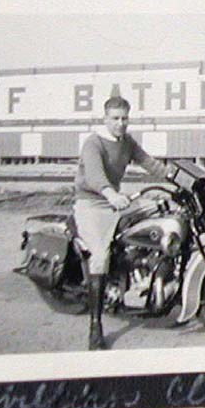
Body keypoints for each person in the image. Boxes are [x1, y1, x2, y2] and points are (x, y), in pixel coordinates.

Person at [74, 96, 170, 350]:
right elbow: (94, 175)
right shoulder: (93, 143)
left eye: (124, 118)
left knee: (157, 215)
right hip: (92, 203)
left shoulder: (126, 142)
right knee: (100, 255)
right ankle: (95, 326)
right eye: (115, 118)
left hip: (115, 200)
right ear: (105, 119)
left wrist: (175, 176)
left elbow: (148, 162)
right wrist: (110, 194)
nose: (120, 123)